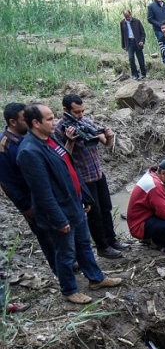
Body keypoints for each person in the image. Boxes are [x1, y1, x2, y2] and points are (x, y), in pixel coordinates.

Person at [17, 103, 122, 305]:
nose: (54, 122)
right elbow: (42, 193)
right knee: (65, 253)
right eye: (49, 119)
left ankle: (96, 278)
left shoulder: (52, 139)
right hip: (59, 211)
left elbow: (68, 169)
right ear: (35, 123)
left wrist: (83, 197)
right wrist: (59, 219)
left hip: (74, 203)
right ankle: (69, 289)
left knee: (83, 245)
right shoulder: (29, 152)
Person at [55, 94, 129, 260]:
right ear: (65, 110)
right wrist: (71, 140)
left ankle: (112, 240)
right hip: (82, 178)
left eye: (82, 111)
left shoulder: (86, 122)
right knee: (94, 214)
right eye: (76, 112)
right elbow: (62, 158)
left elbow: (106, 143)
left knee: (106, 208)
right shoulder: (59, 130)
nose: (80, 115)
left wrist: (109, 135)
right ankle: (102, 247)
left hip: (97, 173)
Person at [0, 103, 56, 273]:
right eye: (25, 119)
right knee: (45, 234)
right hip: (31, 198)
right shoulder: (4, 147)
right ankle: (58, 267)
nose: (31, 122)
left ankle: (68, 260)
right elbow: (7, 182)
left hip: (49, 192)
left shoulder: (33, 135)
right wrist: (25, 206)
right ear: (13, 122)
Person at [127, 159, 165, 254]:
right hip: (139, 226)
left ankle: (152, 239)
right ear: (164, 173)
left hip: (145, 218)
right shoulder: (156, 186)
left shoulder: (155, 177)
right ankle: (160, 244)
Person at [120, 10, 147, 80]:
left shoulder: (137, 21)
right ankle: (135, 74)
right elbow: (122, 35)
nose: (127, 18)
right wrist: (123, 45)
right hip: (129, 42)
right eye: (126, 16)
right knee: (131, 58)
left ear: (130, 14)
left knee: (140, 59)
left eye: (128, 16)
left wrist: (142, 41)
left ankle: (143, 73)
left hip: (137, 42)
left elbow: (143, 33)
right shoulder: (122, 23)